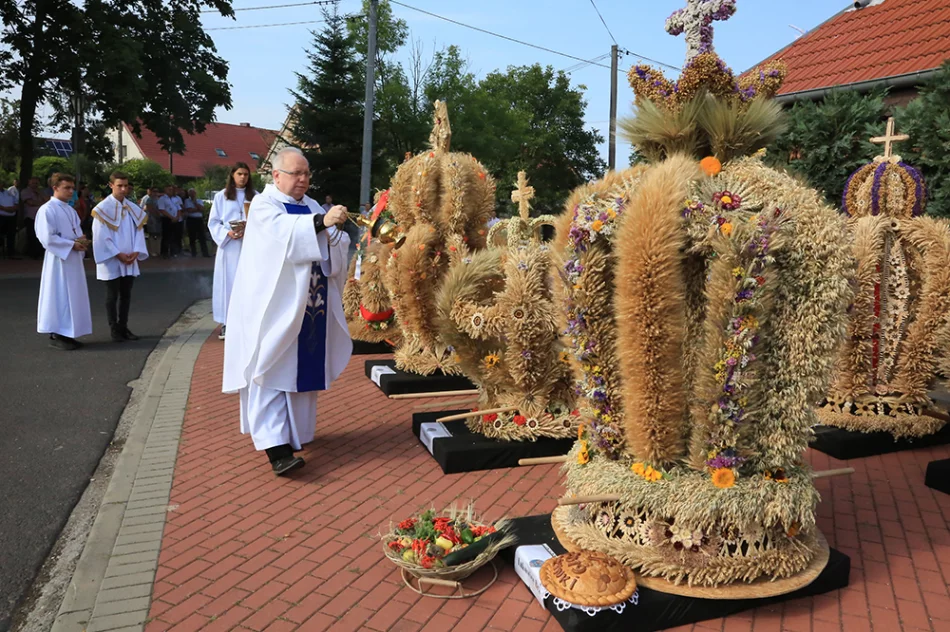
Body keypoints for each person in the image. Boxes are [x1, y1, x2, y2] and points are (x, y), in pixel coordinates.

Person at [223, 147, 352, 476]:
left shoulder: (309, 205)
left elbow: (329, 248)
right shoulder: (264, 206)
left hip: (311, 306)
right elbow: (284, 238)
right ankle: (275, 449)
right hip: (274, 309)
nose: (303, 179)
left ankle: (293, 436)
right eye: (296, 174)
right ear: (276, 175)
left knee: (300, 373)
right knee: (269, 370)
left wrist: (337, 235)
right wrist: (323, 222)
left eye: (307, 173)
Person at [35, 173, 92, 350]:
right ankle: (56, 333)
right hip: (58, 260)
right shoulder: (47, 209)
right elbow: (47, 238)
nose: (71, 191)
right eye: (67, 187)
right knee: (58, 295)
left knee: (73, 296)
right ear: (55, 188)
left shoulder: (69, 209)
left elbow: (76, 231)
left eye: (72, 188)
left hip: (73, 259)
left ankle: (69, 332)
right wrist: (71, 245)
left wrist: (81, 240)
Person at [91, 172, 148, 342]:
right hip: (112, 259)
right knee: (112, 295)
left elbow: (139, 231)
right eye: (119, 185)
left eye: (126, 186)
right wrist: (118, 254)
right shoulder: (102, 209)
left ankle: (124, 326)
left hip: (130, 257)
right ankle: (114, 328)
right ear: (111, 185)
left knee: (126, 294)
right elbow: (101, 236)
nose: (123, 189)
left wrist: (136, 251)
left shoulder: (132, 208)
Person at [208, 162, 256, 340]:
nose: (243, 177)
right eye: (239, 174)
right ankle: (227, 323)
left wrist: (249, 228)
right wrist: (227, 232)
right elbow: (213, 222)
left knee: (249, 283)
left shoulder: (256, 197)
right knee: (228, 284)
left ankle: (247, 322)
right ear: (232, 175)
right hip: (229, 247)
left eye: (246, 174)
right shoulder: (222, 196)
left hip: (248, 246)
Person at [21, 177, 49, 259]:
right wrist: (43, 203)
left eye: (36, 183)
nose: (35, 185)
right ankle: (33, 254)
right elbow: (31, 202)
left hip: (41, 217)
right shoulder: (25, 191)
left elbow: (48, 200)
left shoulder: (41, 191)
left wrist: (40, 194)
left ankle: (40, 252)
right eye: (33, 183)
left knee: (41, 235)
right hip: (30, 216)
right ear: (29, 183)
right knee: (32, 235)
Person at [183, 188, 209, 257]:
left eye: (193, 193)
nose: (192, 194)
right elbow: (189, 210)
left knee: (202, 237)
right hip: (191, 219)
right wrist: (197, 209)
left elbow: (202, 209)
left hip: (199, 219)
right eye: (191, 193)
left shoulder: (199, 200)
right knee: (192, 237)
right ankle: (194, 253)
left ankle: (205, 253)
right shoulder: (187, 201)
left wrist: (195, 203)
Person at [157, 185, 179, 258]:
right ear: (165, 190)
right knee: (166, 236)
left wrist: (177, 217)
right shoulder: (162, 199)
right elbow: (162, 210)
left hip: (175, 219)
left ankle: (173, 252)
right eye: (169, 189)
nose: (171, 191)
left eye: (172, 190)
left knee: (174, 236)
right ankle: (164, 253)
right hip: (166, 219)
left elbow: (179, 208)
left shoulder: (174, 199)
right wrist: (172, 217)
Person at [0, 184, 18, 258]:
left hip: (11, 217)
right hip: (1, 217)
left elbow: (16, 202)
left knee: (11, 235)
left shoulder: (9, 191)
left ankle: (11, 253)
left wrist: (13, 209)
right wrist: (7, 209)